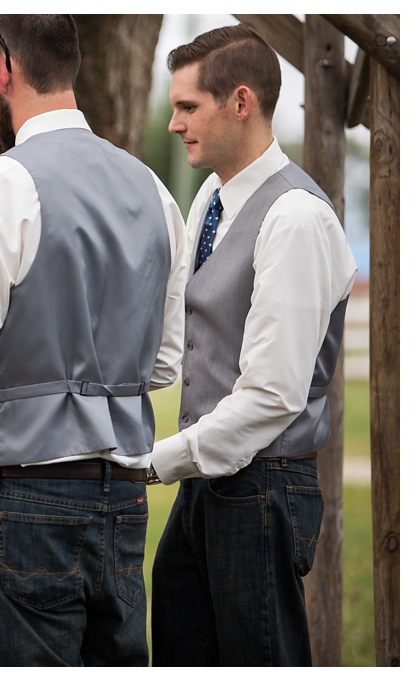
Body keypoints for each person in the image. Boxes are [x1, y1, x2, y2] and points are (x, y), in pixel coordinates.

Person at [0, 15, 188, 666]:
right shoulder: (157, 194)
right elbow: (163, 363)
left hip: (29, 501)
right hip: (127, 498)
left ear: (1, 70)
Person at [147, 24, 355, 666]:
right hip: (210, 479)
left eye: (188, 107)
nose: (176, 123)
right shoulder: (212, 196)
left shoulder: (295, 218)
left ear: (241, 102)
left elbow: (273, 394)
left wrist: (160, 458)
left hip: (264, 486)